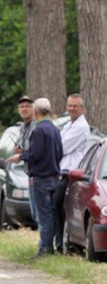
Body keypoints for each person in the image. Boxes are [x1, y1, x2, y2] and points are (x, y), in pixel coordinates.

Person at [6, 98, 62, 257]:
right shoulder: (55, 129)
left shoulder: (39, 130)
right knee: (51, 214)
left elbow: (35, 153)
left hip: (41, 177)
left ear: (35, 111)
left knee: (43, 215)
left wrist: (20, 156)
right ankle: (51, 246)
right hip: (54, 177)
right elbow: (60, 152)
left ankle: (45, 249)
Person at [56, 93, 90, 252]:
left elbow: (61, 147)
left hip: (70, 175)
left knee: (58, 208)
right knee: (57, 209)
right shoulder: (69, 125)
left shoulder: (81, 127)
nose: (71, 109)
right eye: (69, 105)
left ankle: (61, 244)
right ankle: (59, 243)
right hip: (62, 173)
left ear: (82, 108)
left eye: (75, 106)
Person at [14, 95, 36, 220]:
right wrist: (18, 151)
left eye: (27, 106)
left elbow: (35, 152)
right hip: (29, 173)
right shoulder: (22, 128)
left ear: (33, 109)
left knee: (38, 213)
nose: (24, 109)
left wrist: (22, 154)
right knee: (34, 213)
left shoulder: (36, 126)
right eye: (22, 107)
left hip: (38, 173)